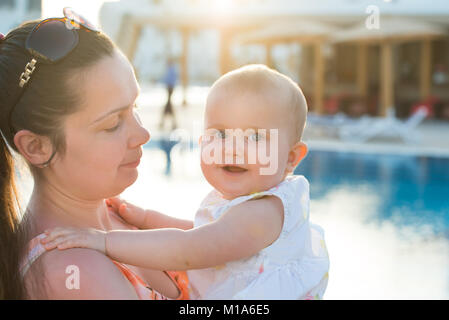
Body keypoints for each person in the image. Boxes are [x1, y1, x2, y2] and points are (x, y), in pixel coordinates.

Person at [42, 65, 330, 300]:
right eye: (220, 133)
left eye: (255, 137)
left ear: (292, 157)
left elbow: (190, 250)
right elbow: (204, 232)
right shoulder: (248, 203)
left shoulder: (264, 212)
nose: (232, 149)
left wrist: (105, 241)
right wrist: (147, 218)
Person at [0, 9, 190, 299]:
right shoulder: (72, 271)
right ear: (37, 147)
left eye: (134, 108)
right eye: (113, 124)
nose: (143, 134)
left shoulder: (119, 214)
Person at [159, 58, 178, 131]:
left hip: (170, 88)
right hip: (170, 88)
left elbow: (168, 79)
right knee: (168, 106)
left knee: (168, 106)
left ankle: (166, 122)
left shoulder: (171, 70)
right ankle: (172, 123)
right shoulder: (171, 69)